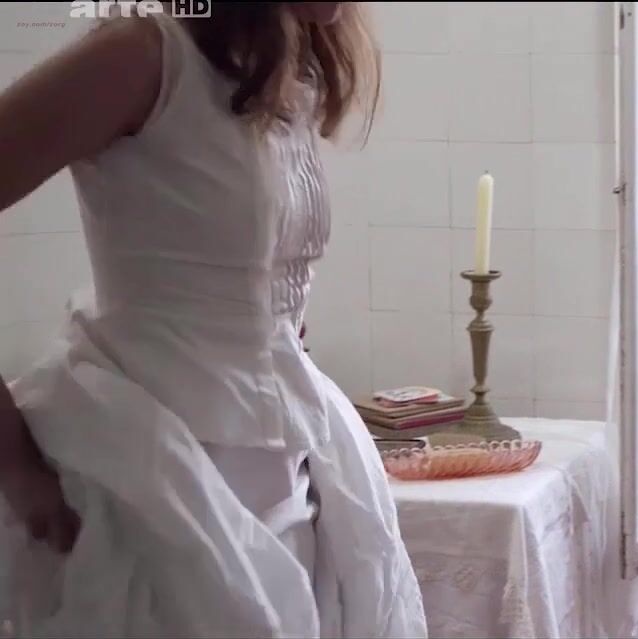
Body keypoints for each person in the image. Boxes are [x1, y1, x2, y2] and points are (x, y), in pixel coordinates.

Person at [0, 2, 427, 635]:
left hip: (291, 470)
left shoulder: (285, 67)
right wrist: (10, 457)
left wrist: (271, 333)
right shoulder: (141, 54)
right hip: (142, 473)